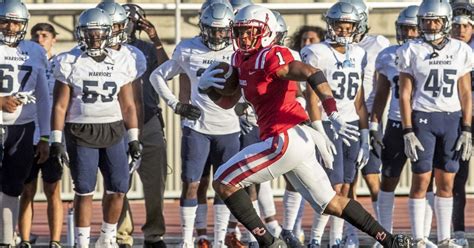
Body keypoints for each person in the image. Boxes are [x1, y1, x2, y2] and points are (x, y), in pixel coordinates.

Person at [199, 4, 412, 248]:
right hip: (291, 139)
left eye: (250, 31)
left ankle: (268, 241)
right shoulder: (240, 58)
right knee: (331, 202)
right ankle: (391, 241)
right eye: (240, 31)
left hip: (284, 137)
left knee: (224, 181)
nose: (244, 37)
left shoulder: (272, 55)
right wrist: (205, 89)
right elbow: (228, 102)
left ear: (266, 31)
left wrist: (331, 111)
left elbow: (313, 72)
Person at [149, 3, 240, 248]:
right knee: (191, 183)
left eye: (223, 30)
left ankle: (220, 240)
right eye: (213, 30)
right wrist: (175, 104)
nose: (219, 35)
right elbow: (157, 76)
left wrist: (247, 106)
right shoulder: (188, 48)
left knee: (226, 186)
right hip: (197, 126)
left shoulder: (238, 49)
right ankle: (189, 239)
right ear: (203, 27)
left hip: (229, 128)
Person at [50, 8, 141, 248]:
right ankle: (82, 242)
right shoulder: (69, 61)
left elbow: (129, 105)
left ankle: (107, 237)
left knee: (119, 188)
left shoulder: (122, 60)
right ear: (81, 34)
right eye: (89, 33)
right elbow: (60, 105)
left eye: (99, 32)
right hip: (81, 131)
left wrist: (133, 138)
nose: (94, 37)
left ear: (108, 33)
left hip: (113, 130)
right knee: (84, 190)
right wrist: (56, 140)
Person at [398, 0, 473, 246]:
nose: (430, 25)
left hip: (451, 119)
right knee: (421, 178)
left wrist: (467, 128)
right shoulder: (411, 49)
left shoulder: (461, 50)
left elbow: (465, 92)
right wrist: (408, 129)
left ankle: (444, 238)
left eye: (435, 20)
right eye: (426, 20)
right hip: (423, 119)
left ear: (445, 21)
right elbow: (405, 93)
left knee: (447, 181)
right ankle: (419, 237)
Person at [370, 6, 440, 248]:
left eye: (413, 28)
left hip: (425, 122)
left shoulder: (431, 53)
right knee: (388, 178)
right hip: (397, 123)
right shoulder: (388, 55)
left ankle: (421, 236)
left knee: (425, 180)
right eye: (405, 28)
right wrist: (374, 124)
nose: (409, 33)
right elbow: (381, 93)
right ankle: (385, 235)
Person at [302, 2, 370, 247]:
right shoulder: (317, 52)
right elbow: (312, 97)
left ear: (357, 27)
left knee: (346, 189)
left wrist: (365, 136)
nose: (342, 31)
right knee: (332, 187)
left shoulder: (359, 53)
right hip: (329, 124)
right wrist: (320, 131)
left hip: (351, 123)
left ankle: (337, 239)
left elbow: (359, 99)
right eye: (338, 26)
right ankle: (316, 239)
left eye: (348, 26)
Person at [0, 0, 51, 245]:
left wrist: (44, 137)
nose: (10, 27)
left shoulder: (35, 50)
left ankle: (7, 240)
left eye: (16, 22)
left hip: (23, 128)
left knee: (13, 187)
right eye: (5, 21)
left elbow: (43, 98)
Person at [17, 22, 62, 248]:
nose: (39, 38)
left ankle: (55, 240)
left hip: (51, 135)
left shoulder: (60, 64)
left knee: (53, 189)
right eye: (36, 35)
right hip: (27, 132)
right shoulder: (23, 62)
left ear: (54, 39)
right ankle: (24, 239)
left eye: (45, 35)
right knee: (26, 190)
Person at [449, 0, 473, 246]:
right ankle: (457, 231)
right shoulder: (446, 50)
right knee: (457, 176)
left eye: (466, 24)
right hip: (456, 117)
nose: (461, 30)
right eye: (456, 25)